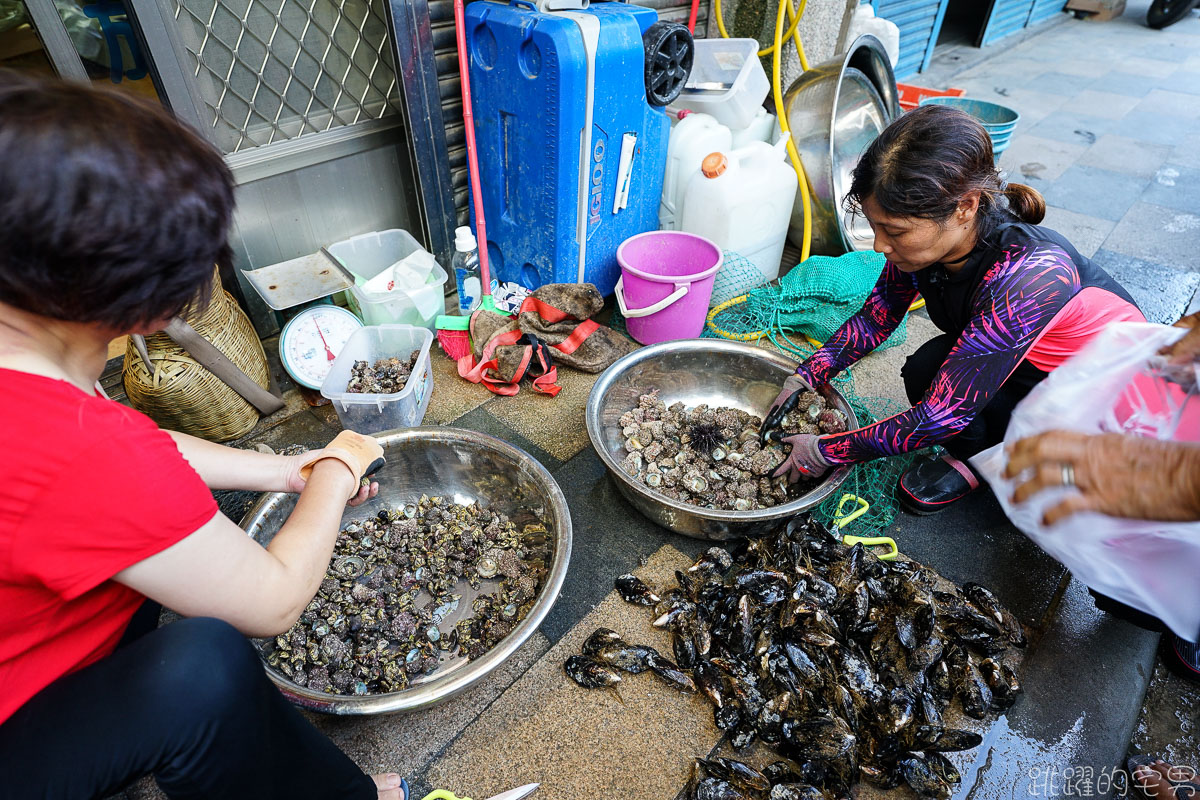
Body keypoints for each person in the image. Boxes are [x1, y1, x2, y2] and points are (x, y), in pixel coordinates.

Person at [0, 72, 406, 799]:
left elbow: (132, 453)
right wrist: (342, 466)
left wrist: (286, 472)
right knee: (203, 668)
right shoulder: (78, 449)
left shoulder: (29, 348)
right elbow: (273, 600)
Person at [760, 104, 1144, 514]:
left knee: (948, 407)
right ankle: (978, 454)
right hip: (1022, 370)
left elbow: (941, 416)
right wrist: (804, 376)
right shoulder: (926, 247)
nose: (879, 246)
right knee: (925, 368)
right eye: (875, 227)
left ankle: (1012, 460)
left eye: (894, 231)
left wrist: (826, 450)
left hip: (1095, 408)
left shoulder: (1031, 276)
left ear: (965, 206)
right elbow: (877, 317)